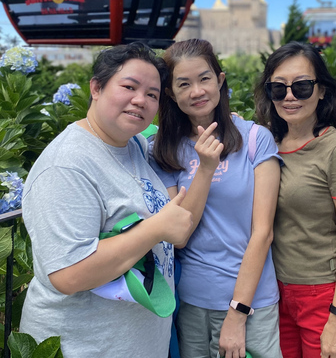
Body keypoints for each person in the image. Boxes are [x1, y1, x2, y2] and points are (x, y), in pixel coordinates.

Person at [19, 43, 194, 357]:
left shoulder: (132, 145)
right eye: (129, 87)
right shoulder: (67, 165)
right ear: (96, 88)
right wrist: (156, 229)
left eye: (153, 94)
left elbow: (165, 133)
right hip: (85, 346)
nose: (140, 100)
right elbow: (68, 274)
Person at [150, 39, 282, 358]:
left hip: (252, 304)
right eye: (184, 83)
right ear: (170, 92)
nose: (197, 91)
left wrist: (237, 313)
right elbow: (180, 234)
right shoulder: (164, 149)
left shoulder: (254, 139)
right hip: (193, 303)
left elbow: (262, 233)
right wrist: (205, 170)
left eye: (205, 78)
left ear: (220, 81)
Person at [254, 42, 336, 358]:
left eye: (302, 86)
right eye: (278, 88)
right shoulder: (265, 144)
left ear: (322, 91)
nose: (290, 96)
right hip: (274, 292)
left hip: (323, 295)